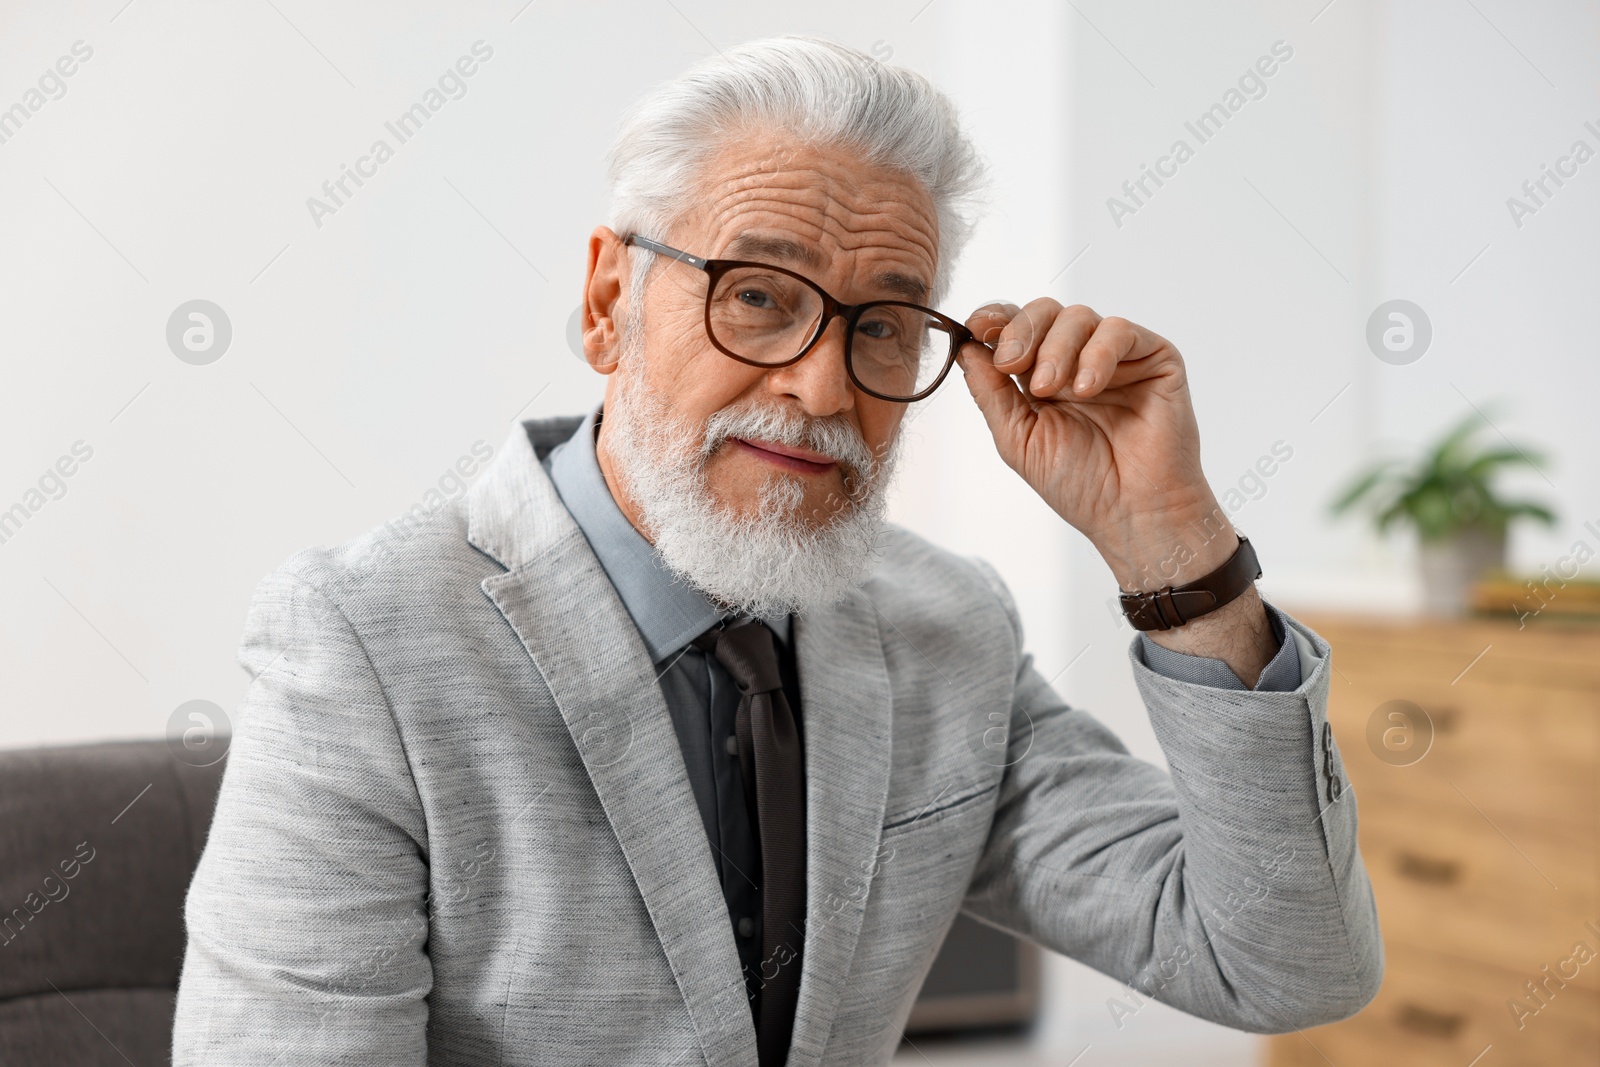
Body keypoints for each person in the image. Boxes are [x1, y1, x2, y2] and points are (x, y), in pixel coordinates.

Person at [173, 34, 1381, 1067]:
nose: (815, 386)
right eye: (757, 294)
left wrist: (1172, 546)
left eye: (885, 324)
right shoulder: (364, 641)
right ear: (607, 303)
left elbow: (1282, 964)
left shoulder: (946, 627)